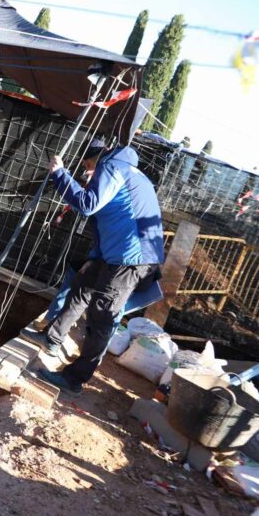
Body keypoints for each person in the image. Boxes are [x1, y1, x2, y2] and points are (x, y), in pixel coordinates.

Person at [26, 139, 165, 396]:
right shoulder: (128, 171)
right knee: (81, 285)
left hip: (130, 259)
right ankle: (53, 339)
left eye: (87, 165)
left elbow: (89, 204)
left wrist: (60, 174)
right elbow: (117, 217)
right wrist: (96, 257)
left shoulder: (113, 168)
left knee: (101, 316)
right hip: (119, 253)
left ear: (96, 158)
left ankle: (74, 379)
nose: (87, 171)